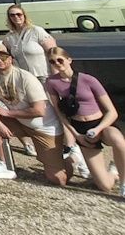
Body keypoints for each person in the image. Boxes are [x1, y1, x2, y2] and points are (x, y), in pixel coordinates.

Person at [0, 43, 66, 183]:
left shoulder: (25, 78)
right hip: (21, 122)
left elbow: (39, 110)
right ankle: (5, 164)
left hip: (45, 128)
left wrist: (8, 114)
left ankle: (71, 160)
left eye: (2, 57)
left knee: (58, 179)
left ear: (11, 58)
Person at [45, 47, 125, 196]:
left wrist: (98, 129)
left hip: (101, 124)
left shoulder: (88, 80)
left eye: (60, 60)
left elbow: (112, 112)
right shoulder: (51, 83)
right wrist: (76, 134)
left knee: (119, 141)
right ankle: (113, 173)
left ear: (69, 60)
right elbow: (59, 112)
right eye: (52, 61)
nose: (57, 64)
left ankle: (124, 182)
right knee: (105, 186)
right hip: (81, 128)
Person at [4, 5, 56, 81]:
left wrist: (56, 74)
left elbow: (53, 53)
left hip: (43, 76)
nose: (16, 17)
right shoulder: (9, 37)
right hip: (24, 78)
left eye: (19, 14)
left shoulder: (37, 30)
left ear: (24, 15)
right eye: (12, 15)